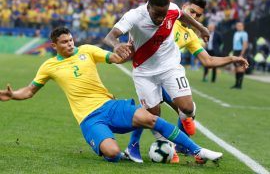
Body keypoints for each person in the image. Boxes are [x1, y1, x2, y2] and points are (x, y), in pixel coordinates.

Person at [0, 27, 223, 164]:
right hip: (89, 119)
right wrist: (13, 94)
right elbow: (29, 91)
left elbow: (114, 58)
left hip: (109, 105)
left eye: (71, 40)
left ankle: (198, 150)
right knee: (113, 154)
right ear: (54, 45)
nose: (70, 44)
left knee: (151, 119)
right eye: (65, 42)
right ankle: (123, 152)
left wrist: (126, 51)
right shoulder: (48, 66)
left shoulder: (87, 50)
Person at [103, 0, 210, 163]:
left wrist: (201, 27)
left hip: (169, 67)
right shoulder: (134, 16)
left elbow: (181, 15)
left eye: (164, 14)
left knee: (188, 109)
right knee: (153, 115)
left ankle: (176, 143)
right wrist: (116, 45)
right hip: (144, 72)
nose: (161, 19)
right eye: (157, 14)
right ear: (148, 7)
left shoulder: (172, 9)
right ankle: (168, 144)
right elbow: (110, 36)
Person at [161, 0, 249, 156]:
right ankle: (134, 146)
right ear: (184, 6)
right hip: (148, 71)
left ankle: (180, 146)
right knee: (153, 113)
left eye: (198, 15)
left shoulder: (190, 35)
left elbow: (208, 60)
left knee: (187, 109)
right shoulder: (169, 18)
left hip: (167, 74)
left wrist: (231, 59)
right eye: (192, 11)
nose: (194, 16)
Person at [231, 22, 249, 89]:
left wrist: (242, 54)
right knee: (236, 68)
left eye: (240, 25)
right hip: (235, 51)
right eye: (237, 25)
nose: (238, 27)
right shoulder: (236, 33)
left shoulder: (244, 34)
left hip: (240, 52)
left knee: (241, 68)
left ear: (243, 26)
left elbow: (245, 44)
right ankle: (236, 84)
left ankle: (239, 85)